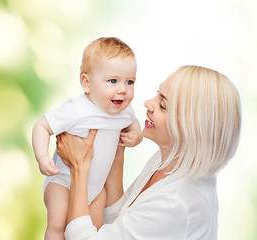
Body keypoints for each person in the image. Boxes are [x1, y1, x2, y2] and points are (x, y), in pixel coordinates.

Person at [56, 65, 242, 239]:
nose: (148, 103)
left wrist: (79, 167)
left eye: (163, 105)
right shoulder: (173, 158)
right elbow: (121, 220)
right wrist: (117, 151)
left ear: (192, 129)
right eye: (157, 94)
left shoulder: (176, 203)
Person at [32, 37, 143, 239]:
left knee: (95, 230)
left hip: (97, 189)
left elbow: (134, 126)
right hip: (63, 182)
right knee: (58, 225)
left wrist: (136, 137)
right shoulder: (77, 109)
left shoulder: (125, 111)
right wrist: (42, 157)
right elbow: (41, 126)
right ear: (87, 83)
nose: (123, 89)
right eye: (113, 81)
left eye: (130, 82)